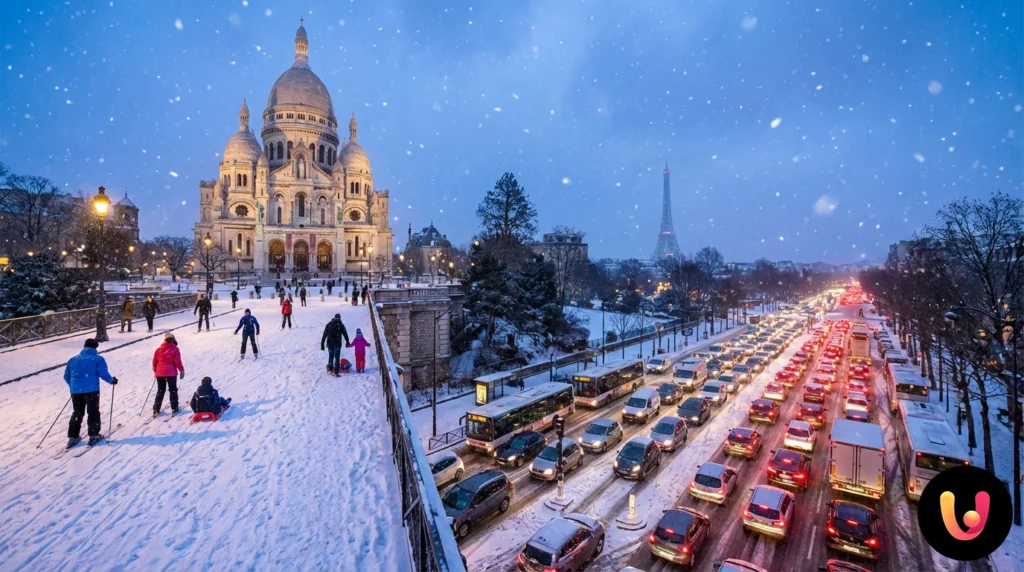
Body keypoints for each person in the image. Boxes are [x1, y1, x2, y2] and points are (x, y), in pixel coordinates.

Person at [63, 338, 118, 447]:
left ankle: (73, 436)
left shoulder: (73, 360)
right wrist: (112, 380)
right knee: (93, 412)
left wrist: (73, 386)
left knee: (77, 412)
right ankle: (94, 435)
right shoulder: (98, 359)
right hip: (91, 390)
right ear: (95, 347)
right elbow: (103, 373)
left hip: (76, 391)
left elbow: (66, 376)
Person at [151, 332, 185, 416]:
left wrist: (156, 372)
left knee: (160, 390)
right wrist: (181, 370)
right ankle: (174, 408)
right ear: (173, 340)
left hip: (160, 374)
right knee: (173, 390)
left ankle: (156, 409)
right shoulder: (175, 349)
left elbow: (154, 362)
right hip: (171, 373)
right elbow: (177, 362)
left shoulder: (158, 350)